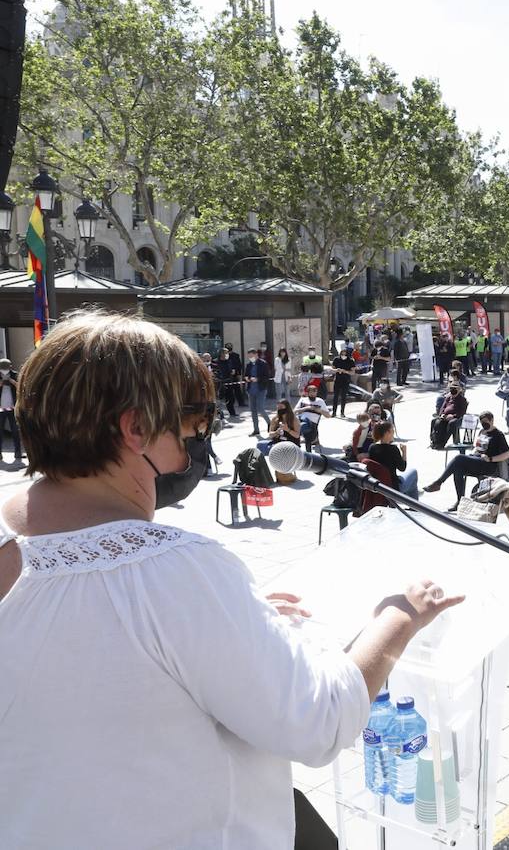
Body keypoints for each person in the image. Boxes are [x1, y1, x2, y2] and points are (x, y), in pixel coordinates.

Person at [0, 311, 463, 849]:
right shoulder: (174, 572)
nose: (195, 445)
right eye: (193, 423)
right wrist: (400, 615)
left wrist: (220, 621)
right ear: (135, 429)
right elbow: (318, 722)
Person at [423, 411, 509, 507]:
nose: (484, 424)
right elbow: (479, 448)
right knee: (458, 468)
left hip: (488, 464)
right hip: (477, 460)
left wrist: (490, 458)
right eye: (482, 422)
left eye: (486, 421)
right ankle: (460, 501)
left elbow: (507, 453)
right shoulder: (482, 432)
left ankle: (438, 483)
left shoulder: (498, 435)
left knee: (459, 458)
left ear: (492, 420)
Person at [366, 420, 419, 497]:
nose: (393, 434)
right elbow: (402, 468)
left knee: (406, 479)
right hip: (392, 488)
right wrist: (404, 452)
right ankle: (413, 506)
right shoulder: (393, 449)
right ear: (387, 433)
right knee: (413, 473)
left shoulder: (372, 447)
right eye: (392, 431)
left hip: (378, 485)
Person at [430, 383, 468, 450]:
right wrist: (442, 414)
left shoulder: (462, 400)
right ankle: (435, 441)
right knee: (436, 422)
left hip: (456, 418)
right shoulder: (448, 398)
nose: (453, 391)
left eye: (455, 389)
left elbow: (462, 412)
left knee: (451, 423)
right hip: (445, 416)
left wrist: (453, 416)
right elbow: (443, 407)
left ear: (459, 390)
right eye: (451, 389)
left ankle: (442, 443)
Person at [0, 358, 22, 461]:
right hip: (1, 408)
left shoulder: (14, 374)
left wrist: (12, 382)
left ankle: (18, 453)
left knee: (15, 431)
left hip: (12, 407)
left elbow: (21, 387)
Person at [294, 385, 327, 452]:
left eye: (314, 392)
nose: (312, 394)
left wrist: (319, 410)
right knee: (300, 425)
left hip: (312, 424)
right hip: (301, 420)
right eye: (311, 393)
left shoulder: (320, 401)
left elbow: (328, 415)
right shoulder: (303, 400)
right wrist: (306, 408)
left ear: (316, 392)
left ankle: (300, 439)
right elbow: (294, 411)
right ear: (307, 393)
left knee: (305, 427)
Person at [330, 348, 354, 419]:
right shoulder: (336, 359)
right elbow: (332, 369)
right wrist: (336, 370)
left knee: (344, 397)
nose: (343, 355)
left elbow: (353, 372)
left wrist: (345, 371)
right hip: (337, 380)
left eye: (345, 354)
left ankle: (342, 412)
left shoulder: (350, 361)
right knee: (335, 396)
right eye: (342, 354)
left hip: (346, 380)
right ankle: (334, 412)